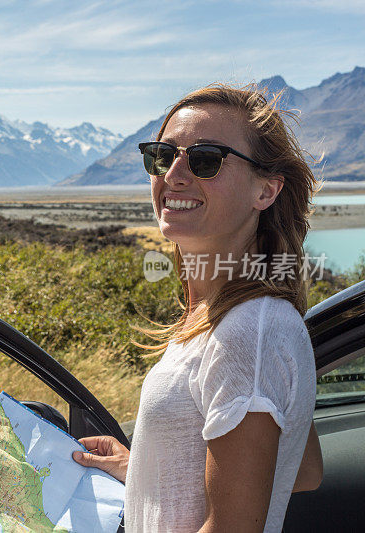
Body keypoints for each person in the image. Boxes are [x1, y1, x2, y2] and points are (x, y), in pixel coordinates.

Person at [72, 83, 324, 532]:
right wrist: (148, 468)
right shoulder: (230, 320)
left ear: (265, 190)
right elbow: (300, 470)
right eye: (161, 156)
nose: (174, 174)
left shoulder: (247, 332)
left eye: (206, 159)